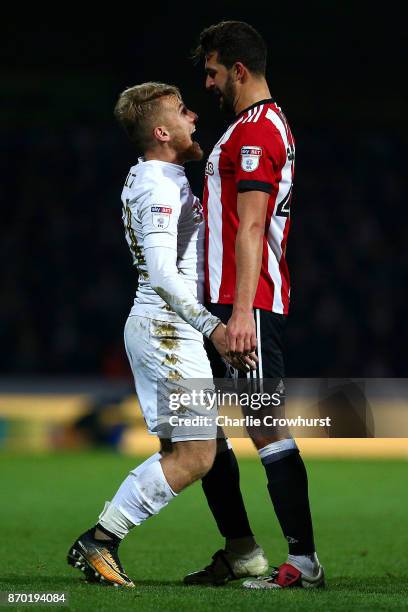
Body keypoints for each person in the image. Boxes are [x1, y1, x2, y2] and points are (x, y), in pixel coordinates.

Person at [66, 81, 257, 587]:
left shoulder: (162, 177)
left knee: (206, 446)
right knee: (194, 456)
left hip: (168, 331)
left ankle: (243, 552)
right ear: (161, 130)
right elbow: (161, 273)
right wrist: (213, 327)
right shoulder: (156, 183)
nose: (193, 116)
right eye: (182, 111)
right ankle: (101, 540)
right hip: (165, 331)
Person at [183, 21, 325, 589]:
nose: (209, 84)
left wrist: (241, 314)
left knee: (263, 424)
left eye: (213, 72)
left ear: (238, 70)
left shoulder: (256, 132)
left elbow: (251, 226)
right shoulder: (248, 127)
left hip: (244, 305)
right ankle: (240, 551)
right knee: (197, 429)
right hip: (219, 306)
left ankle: (305, 562)